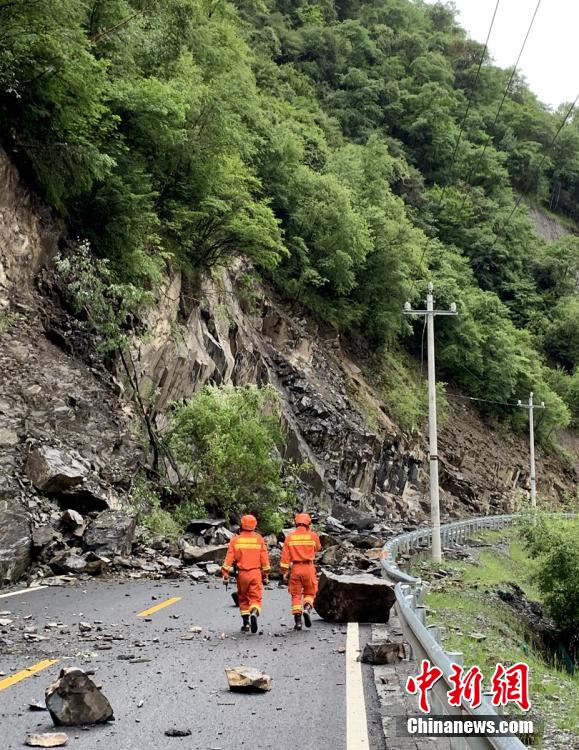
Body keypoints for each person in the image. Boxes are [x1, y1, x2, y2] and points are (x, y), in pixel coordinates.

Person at [221, 515, 270, 633]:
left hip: (242, 575)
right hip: (255, 573)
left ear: (242, 525)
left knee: (243, 598)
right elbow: (264, 560)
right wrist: (265, 575)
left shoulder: (235, 540)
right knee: (255, 598)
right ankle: (254, 612)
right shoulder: (259, 539)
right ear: (254, 525)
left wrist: (225, 573)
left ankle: (246, 624)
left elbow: (229, 559)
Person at [280, 513, 321, 630]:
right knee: (310, 591)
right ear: (308, 524)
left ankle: (298, 622)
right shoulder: (313, 536)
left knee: (296, 595)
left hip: (296, 569)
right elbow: (318, 548)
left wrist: (285, 572)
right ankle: (307, 608)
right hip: (308, 567)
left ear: (295, 523)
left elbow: (284, 559)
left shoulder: (290, 537)